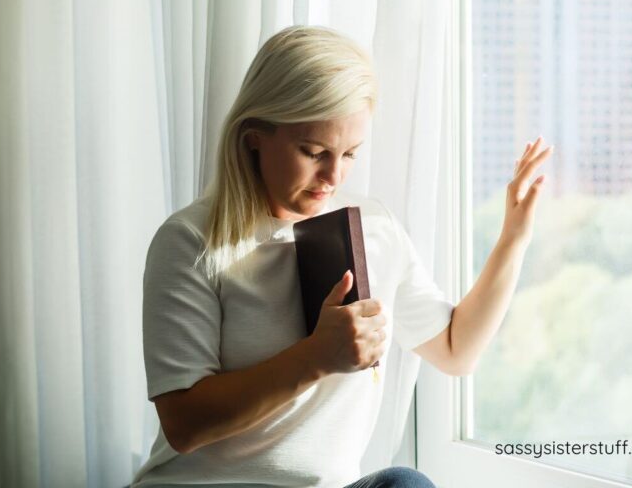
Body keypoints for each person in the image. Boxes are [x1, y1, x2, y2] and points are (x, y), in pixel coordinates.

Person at [131, 25, 552, 488]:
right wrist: (314, 357)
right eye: (313, 152)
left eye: (349, 153)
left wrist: (513, 237)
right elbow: (184, 424)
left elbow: (455, 350)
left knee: (404, 484)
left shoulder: (373, 229)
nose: (333, 175)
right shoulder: (190, 241)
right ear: (255, 136)